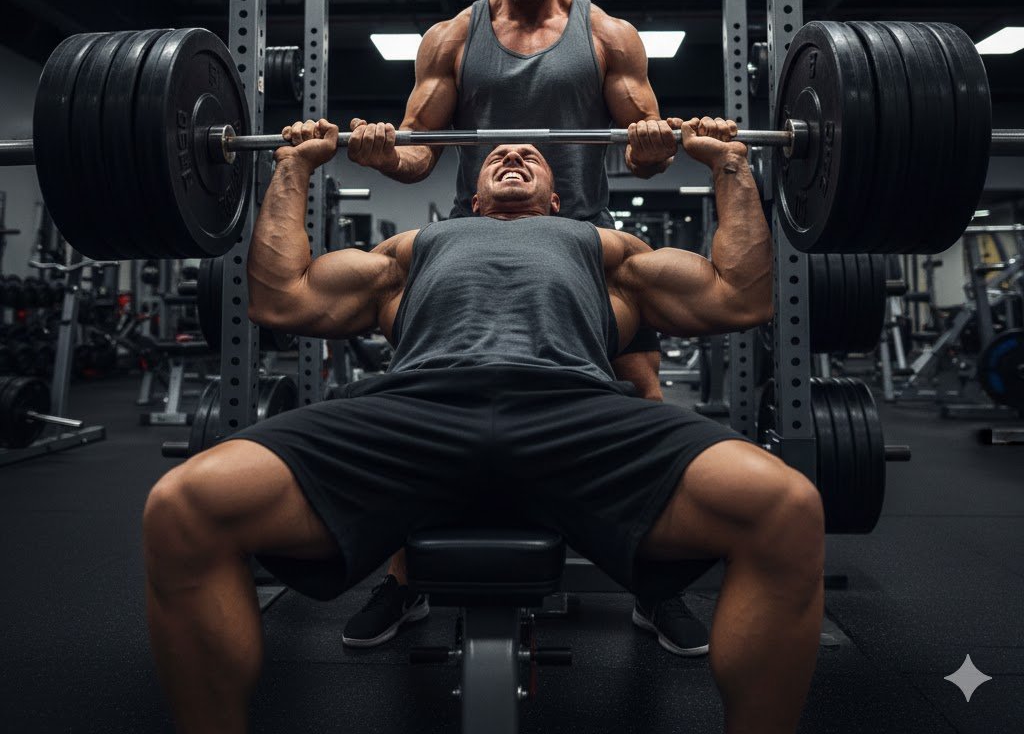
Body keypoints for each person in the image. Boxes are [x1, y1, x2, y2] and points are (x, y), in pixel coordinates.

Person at [143, 118, 825, 734]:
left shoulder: (602, 246)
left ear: (556, 201)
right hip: (416, 408)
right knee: (186, 506)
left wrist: (730, 164)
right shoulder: (415, 246)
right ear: (472, 198)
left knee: (784, 506)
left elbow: (740, 297)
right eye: (498, 153)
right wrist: (293, 166)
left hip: (573, 410)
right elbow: (279, 298)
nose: (513, 154)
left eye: (530, 154)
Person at [344, 0, 692, 649]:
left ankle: (655, 583)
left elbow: (646, 158)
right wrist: (380, 154)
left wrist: (653, 144)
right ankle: (404, 581)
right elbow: (418, 156)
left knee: (643, 395)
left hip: (586, 241)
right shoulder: (450, 38)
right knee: (420, 396)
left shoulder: (609, 36)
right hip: (475, 241)